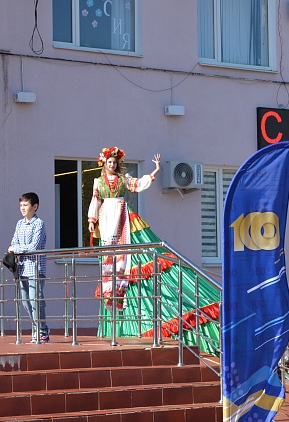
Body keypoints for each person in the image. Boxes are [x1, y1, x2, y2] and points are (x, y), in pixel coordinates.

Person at [87, 146, 221, 354]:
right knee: (111, 263)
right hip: (106, 220)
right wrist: (91, 220)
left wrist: (156, 170)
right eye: (109, 162)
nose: (112, 165)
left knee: (129, 259)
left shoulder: (123, 179)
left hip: (122, 216)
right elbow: (95, 201)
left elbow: (139, 184)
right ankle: (117, 307)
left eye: (115, 162)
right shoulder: (98, 182)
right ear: (104, 164)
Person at [9, 192, 49, 343]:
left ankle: (42, 331)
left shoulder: (39, 223)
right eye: (21, 205)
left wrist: (17, 249)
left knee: (35, 300)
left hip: (36, 268)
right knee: (25, 301)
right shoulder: (19, 224)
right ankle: (36, 328)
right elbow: (13, 242)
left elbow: (34, 247)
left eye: (25, 205)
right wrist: (16, 248)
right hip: (21, 268)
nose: (22, 208)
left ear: (35, 206)